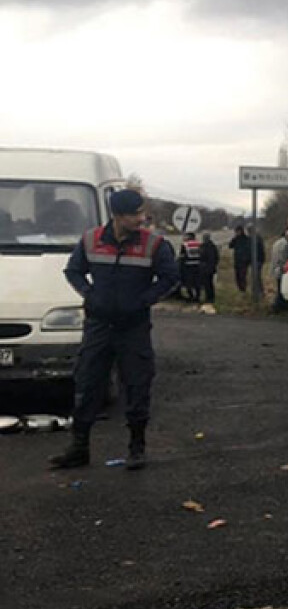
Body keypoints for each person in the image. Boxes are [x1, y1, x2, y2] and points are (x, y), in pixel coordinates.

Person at [50, 188, 178, 471]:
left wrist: (143, 300)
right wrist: (88, 293)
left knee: (136, 385)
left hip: (133, 328)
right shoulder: (91, 240)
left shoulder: (154, 244)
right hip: (98, 326)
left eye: (141, 212)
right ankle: (79, 448)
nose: (141, 218)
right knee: (87, 384)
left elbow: (170, 277)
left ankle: (136, 447)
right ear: (117, 216)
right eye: (134, 214)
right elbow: (73, 270)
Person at [270, 227, 288, 313]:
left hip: (275, 267)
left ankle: (282, 305)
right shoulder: (285, 245)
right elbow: (283, 258)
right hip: (280, 269)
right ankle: (276, 306)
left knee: (280, 287)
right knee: (281, 289)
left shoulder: (278, 242)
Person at [228, 225, 252, 292]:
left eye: (238, 231)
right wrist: (234, 238)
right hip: (237, 260)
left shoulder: (246, 239)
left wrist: (247, 259)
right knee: (237, 276)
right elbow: (230, 246)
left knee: (242, 276)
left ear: (241, 231)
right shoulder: (236, 239)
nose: (237, 233)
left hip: (244, 261)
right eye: (236, 232)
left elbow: (249, 250)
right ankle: (240, 289)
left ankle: (243, 289)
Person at [180, 232, 202, 302]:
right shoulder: (199, 244)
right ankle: (197, 296)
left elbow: (182, 256)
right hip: (198, 265)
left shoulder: (185, 245)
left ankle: (191, 296)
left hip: (188, 265)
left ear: (189, 237)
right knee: (197, 282)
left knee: (188, 282)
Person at [198, 232, 219, 304]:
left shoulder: (210, 247)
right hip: (205, 268)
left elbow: (214, 258)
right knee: (206, 284)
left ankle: (210, 298)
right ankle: (208, 297)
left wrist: (210, 266)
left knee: (208, 284)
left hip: (208, 268)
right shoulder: (206, 246)